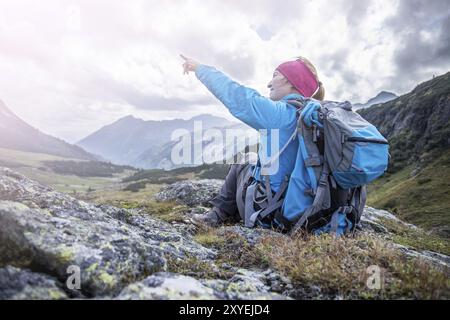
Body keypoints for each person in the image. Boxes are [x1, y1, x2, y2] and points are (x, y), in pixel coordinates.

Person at [181, 54, 325, 228]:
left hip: (269, 214)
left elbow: (237, 95)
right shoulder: (315, 117)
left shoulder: (281, 114)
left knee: (244, 159)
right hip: (306, 213)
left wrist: (199, 68)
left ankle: (219, 215)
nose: (269, 83)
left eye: (275, 75)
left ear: (292, 82)